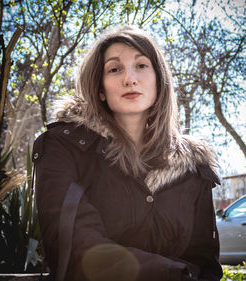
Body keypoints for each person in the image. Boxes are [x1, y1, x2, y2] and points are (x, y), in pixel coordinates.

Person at [33, 26, 223, 281]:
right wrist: (176, 273)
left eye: (141, 66)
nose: (130, 79)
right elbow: (79, 249)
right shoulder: (63, 147)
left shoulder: (193, 167)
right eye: (115, 69)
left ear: (159, 80)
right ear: (100, 88)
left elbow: (205, 264)